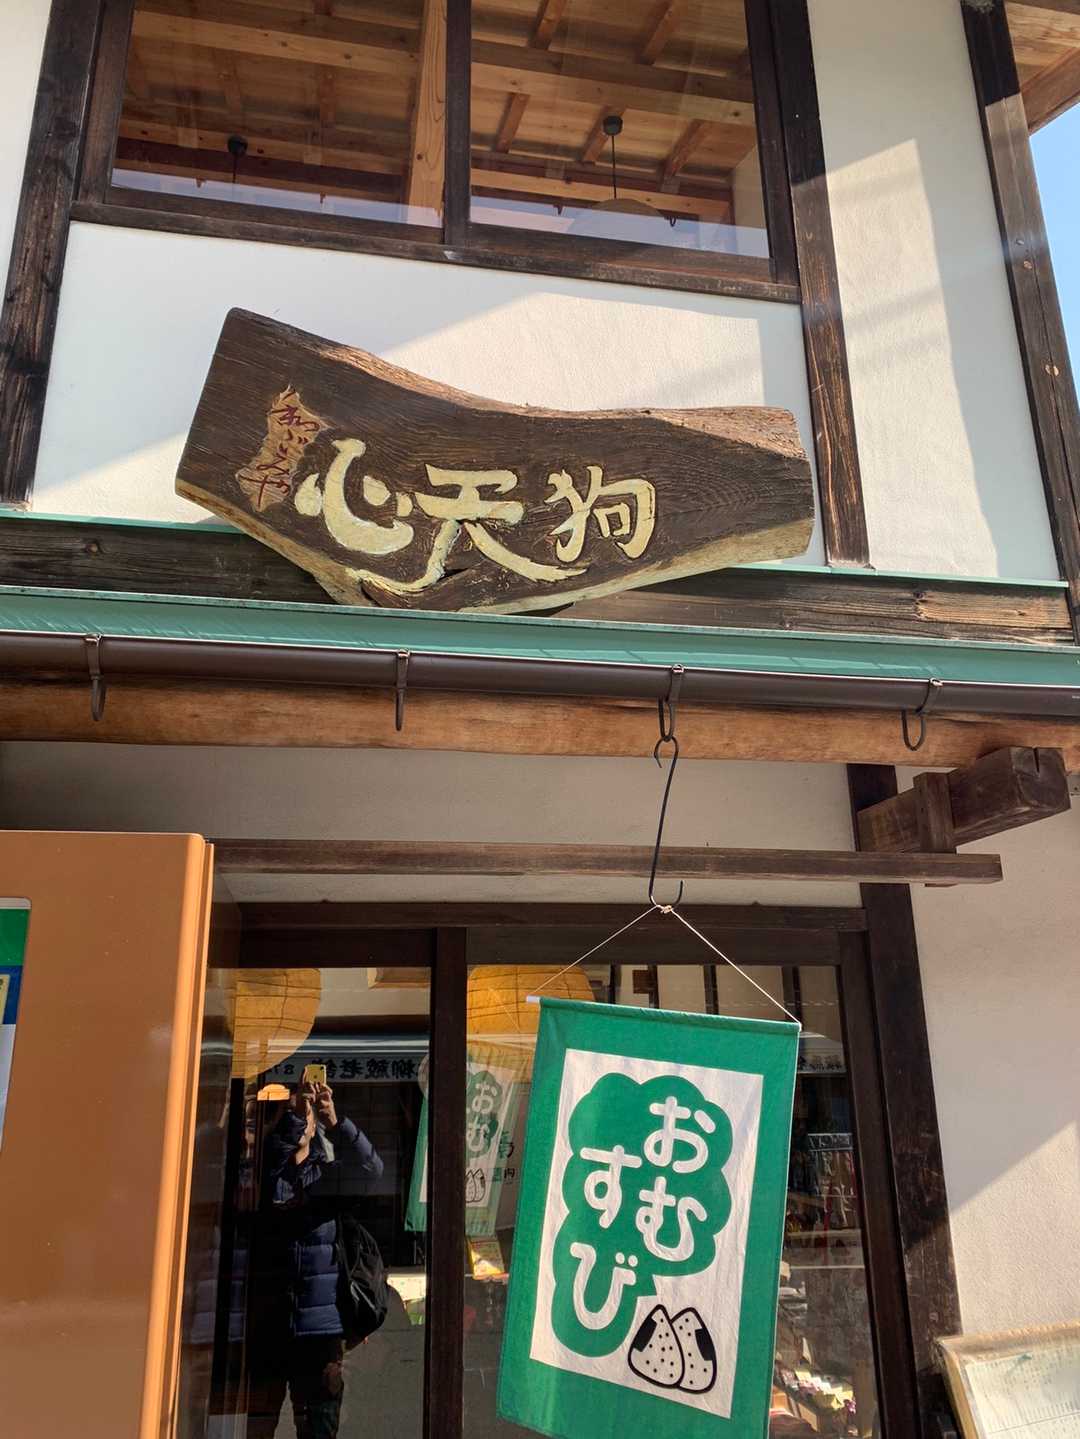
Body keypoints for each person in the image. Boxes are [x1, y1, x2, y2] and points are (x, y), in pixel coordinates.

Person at [246, 1080, 384, 1439]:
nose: (299, 1118)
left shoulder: (325, 1176)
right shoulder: (262, 1173)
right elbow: (273, 1181)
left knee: (319, 1429)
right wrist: (294, 1122)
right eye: (289, 1113)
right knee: (255, 1427)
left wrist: (335, 1122)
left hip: (320, 1331)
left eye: (303, 1113)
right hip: (265, 1329)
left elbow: (371, 1170)